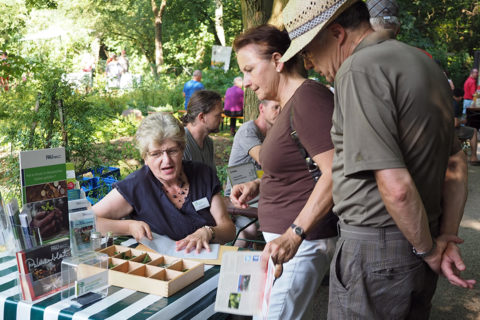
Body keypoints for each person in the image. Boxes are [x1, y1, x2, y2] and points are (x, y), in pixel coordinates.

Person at [280, 0, 475, 318]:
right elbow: (456, 164)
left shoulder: (357, 70)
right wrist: (442, 238)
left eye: (308, 52)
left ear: (337, 33)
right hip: (419, 237)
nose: (310, 63)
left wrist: (428, 249)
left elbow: (395, 186)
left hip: (375, 254)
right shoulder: (425, 64)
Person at [230, 25, 338, 319]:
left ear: (278, 61)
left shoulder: (308, 99)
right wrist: (258, 185)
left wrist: (295, 233)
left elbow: (335, 173)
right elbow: (302, 168)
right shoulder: (288, 104)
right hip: (285, 241)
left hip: (302, 242)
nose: (246, 82)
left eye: (250, 69)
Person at [93, 112, 235, 253]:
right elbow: (86, 222)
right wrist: (129, 226)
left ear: (182, 149)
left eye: (172, 151)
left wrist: (208, 232)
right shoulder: (136, 185)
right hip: (161, 268)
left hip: (206, 263)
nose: (166, 161)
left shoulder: (203, 175)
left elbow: (228, 229)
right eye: (156, 154)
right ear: (145, 158)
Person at [226, 99, 280, 247]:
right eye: (275, 107)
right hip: (238, 197)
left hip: (260, 194)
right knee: (249, 230)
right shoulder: (248, 130)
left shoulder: (275, 134)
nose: (280, 112)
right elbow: (269, 162)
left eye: (283, 107)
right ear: (261, 108)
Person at [181, 90, 223, 170]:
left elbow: (210, 179)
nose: (221, 120)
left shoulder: (208, 142)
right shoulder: (180, 143)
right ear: (202, 117)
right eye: (218, 115)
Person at [453, 88, 479, 164]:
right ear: (461, 97)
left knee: (466, 134)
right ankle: (473, 157)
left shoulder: (447, 101)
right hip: (451, 130)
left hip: (442, 128)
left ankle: (464, 154)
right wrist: (463, 121)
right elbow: (455, 124)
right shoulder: (455, 104)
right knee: (473, 131)